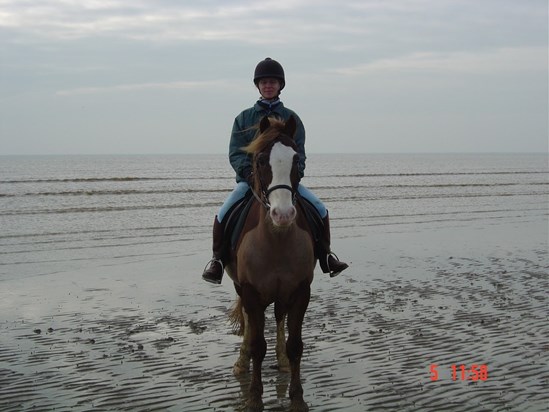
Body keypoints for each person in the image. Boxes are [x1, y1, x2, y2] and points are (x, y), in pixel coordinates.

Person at [202, 57, 348, 284]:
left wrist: (295, 174)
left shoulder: (292, 119)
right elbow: (236, 153)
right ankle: (217, 261)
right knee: (223, 212)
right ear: (258, 86)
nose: (268, 86)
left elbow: (299, 153)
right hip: (250, 182)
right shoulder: (243, 119)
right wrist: (249, 175)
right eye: (264, 82)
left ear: (280, 86)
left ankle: (326, 256)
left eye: (272, 82)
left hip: (285, 183)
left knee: (320, 208)